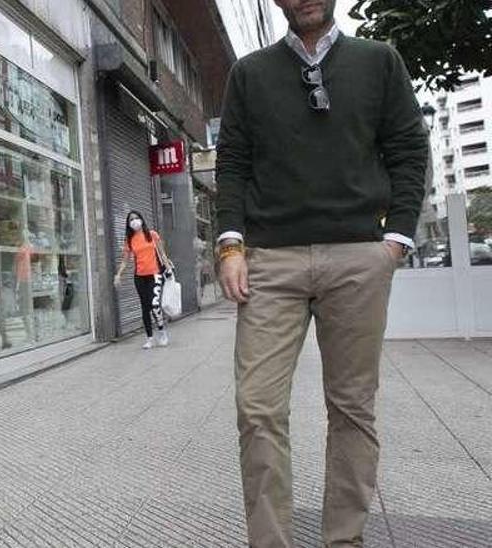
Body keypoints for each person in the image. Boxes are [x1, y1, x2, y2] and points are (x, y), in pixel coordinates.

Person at [213, 0, 429, 545]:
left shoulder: (379, 61)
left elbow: (407, 148)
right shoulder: (250, 74)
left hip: (359, 255)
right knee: (257, 408)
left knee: (352, 407)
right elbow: (233, 160)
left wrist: (396, 239)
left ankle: (344, 539)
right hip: (270, 260)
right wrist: (230, 244)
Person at [112, 211, 175, 349]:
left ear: (141, 219)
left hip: (155, 274)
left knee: (154, 304)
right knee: (145, 307)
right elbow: (125, 260)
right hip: (139, 277)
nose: (134, 221)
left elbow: (162, 253)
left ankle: (162, 332)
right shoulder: (129, 240)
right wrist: (118, 274)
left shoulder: (152, 234)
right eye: (131, 220)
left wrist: (168, 268)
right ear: (128, 224)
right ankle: (149, 338)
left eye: (136, 218)